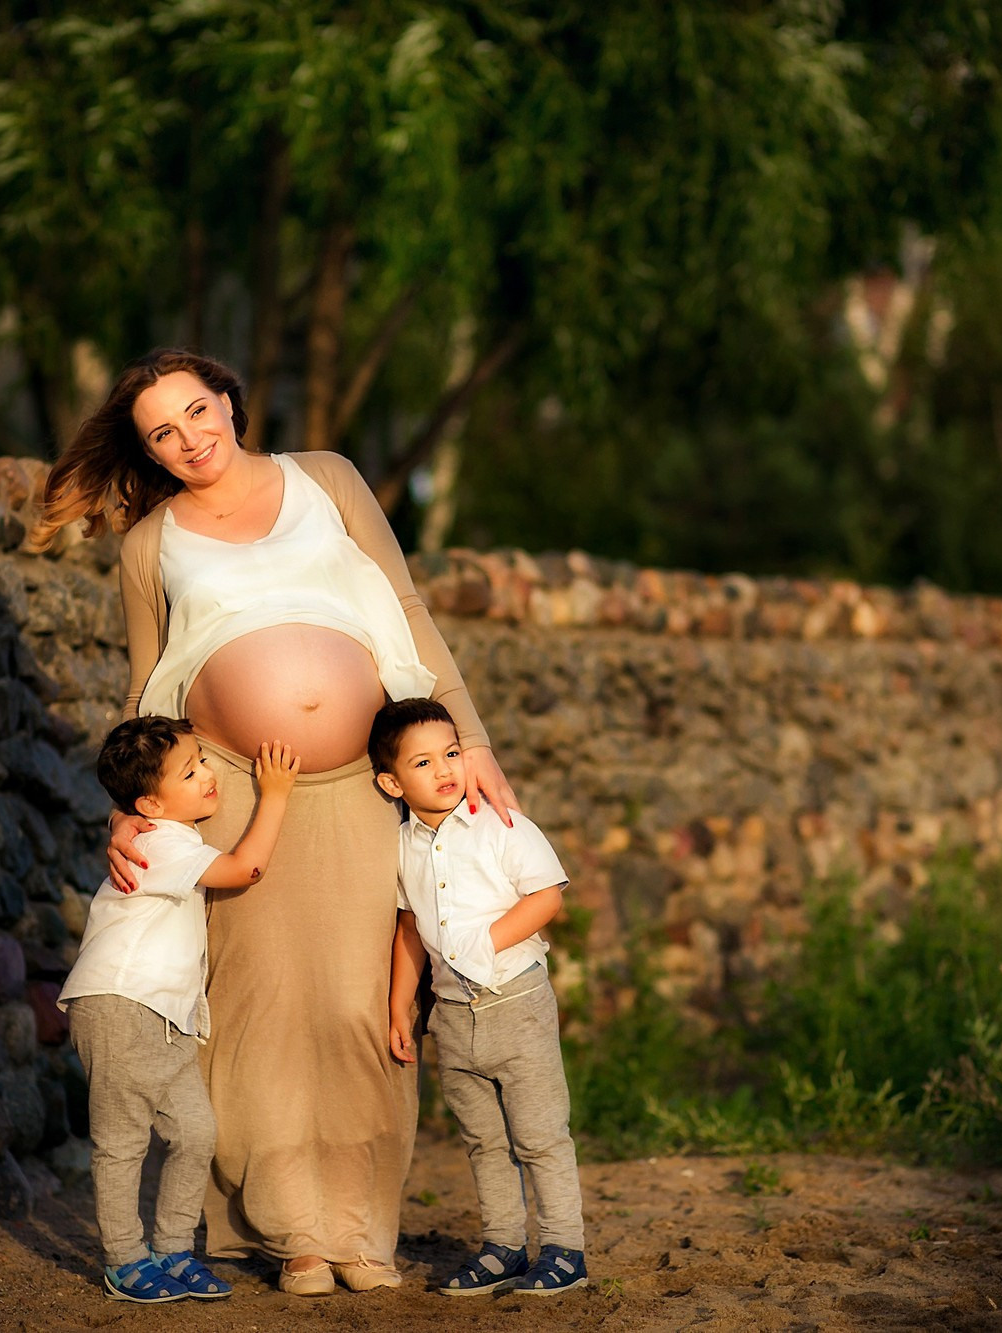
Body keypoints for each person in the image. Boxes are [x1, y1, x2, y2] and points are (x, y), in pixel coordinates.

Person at [32, 349, 519, 1296]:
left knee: (356, 1002)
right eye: (161, 433)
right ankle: (291, 1231)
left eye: (198, 412)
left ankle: (359, 1225)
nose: (189, 439)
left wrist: (474, 740)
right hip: (230, 791)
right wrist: (128, 817)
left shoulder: (328, 479)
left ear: (230, 402)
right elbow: (145, 701)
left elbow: (409, 611)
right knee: (259, 1009)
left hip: (358, 784)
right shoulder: (149, 546)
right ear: (148, 451)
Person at [56, 718, 300, 1302]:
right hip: (120, 1003)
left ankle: (171, 1250)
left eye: (203, 761)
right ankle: (123, 1260)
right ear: (150, 803)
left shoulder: (169, 835)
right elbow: (246, 870)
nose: (208, 774)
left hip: (163, 1015)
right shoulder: (160, 841)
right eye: (190, 771)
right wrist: (276, 797)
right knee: (122, 1142)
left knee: (194, 1133)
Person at [371, 698, 590, 1296]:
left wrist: (481, 944)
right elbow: (410, 929)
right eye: (423, 762)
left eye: (451, 753)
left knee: (541, 1134)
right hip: (452, 1016)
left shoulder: (502, 824)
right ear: (392, 782)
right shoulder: (402, 847)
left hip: (515, 1000)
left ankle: (565, 1248)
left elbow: (546, 898)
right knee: (484, 1140)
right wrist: (400, 1007)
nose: (444, 769)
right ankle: (504, 1247)